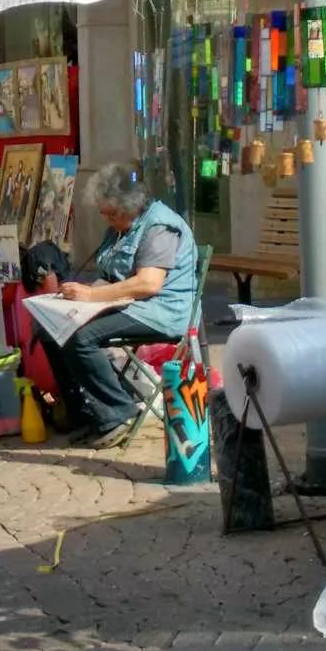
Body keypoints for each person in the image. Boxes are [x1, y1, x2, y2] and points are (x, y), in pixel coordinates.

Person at [51, 162, 198, 450]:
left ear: (130, 205)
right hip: (130, 304)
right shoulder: (122, 227)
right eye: (103, 212)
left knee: (81, 338)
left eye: (111, 213)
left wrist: (91, 298)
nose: (107, 219)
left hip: (162, 310)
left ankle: (119, 413)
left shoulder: (158, 227)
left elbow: (148, 284)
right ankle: (83, 411)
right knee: (51, 327)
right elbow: (110, 275)